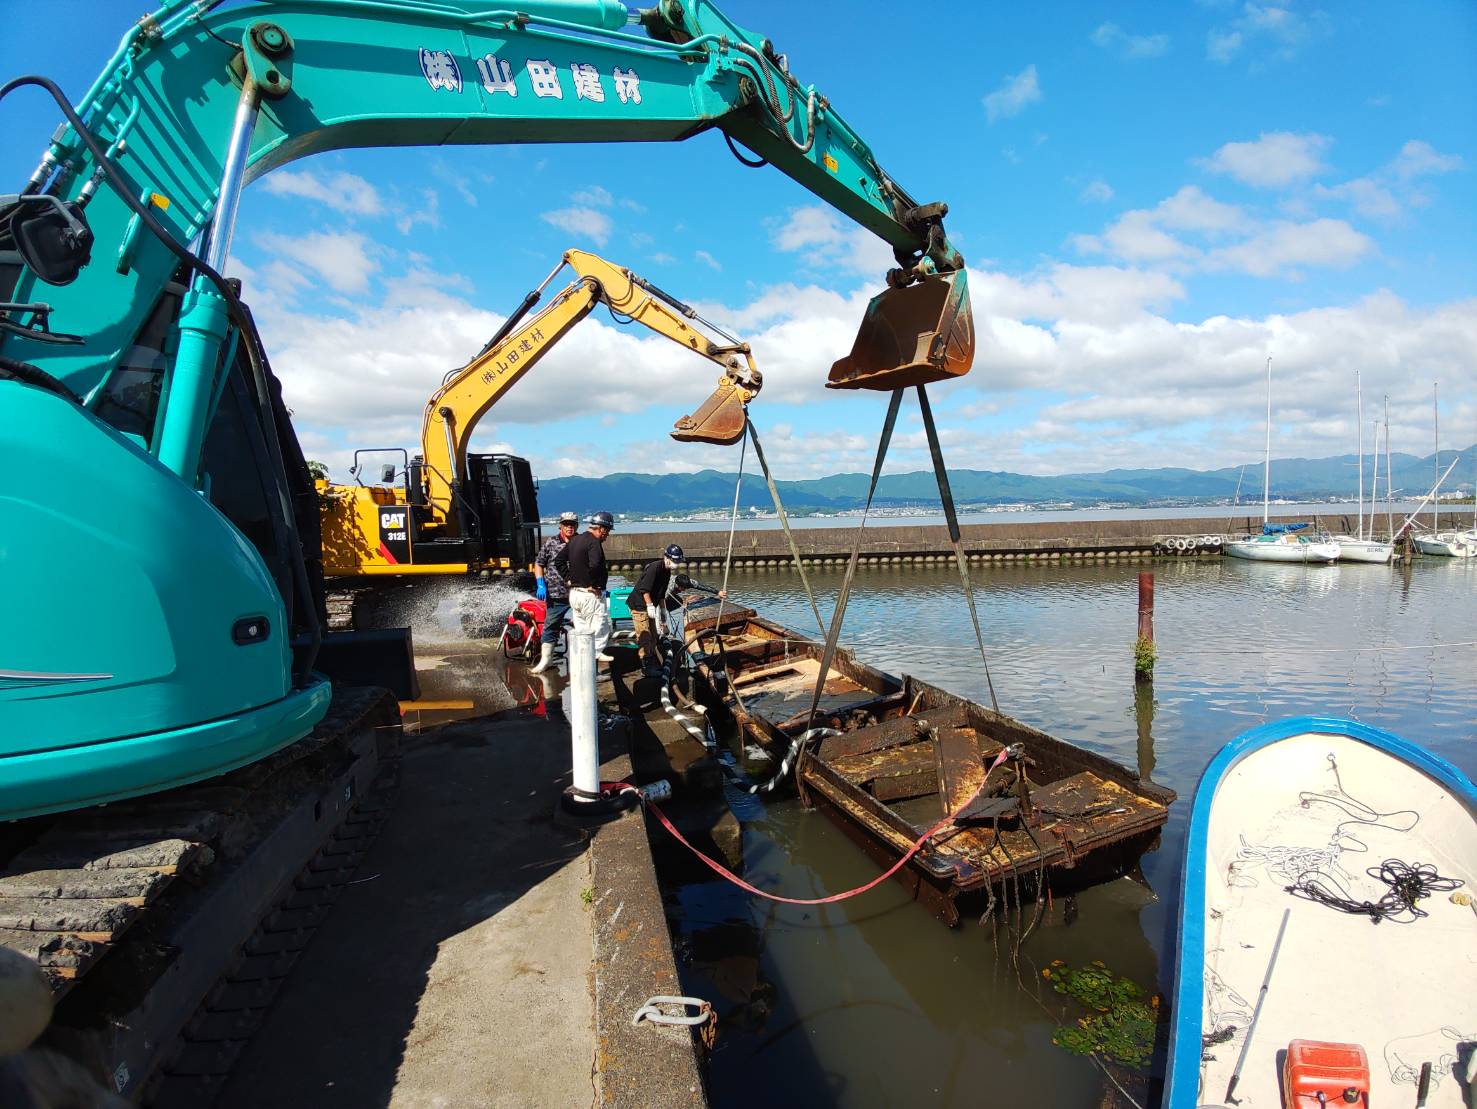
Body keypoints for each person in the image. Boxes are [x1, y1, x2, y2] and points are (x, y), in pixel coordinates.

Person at [529, 511, 579, 674]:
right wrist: (540, 583)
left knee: (584, 625)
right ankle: (546, 659)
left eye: (572, 524)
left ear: (576, 526)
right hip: (556, 594)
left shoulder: (581, 542)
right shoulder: (551, 542)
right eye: (566, 524)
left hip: (578, 592)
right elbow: (539, 563)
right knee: (550, 626)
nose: (569, 527)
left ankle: (585, 659)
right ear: (560, 526)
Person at [563, 510, 615, 664]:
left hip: (574, 595)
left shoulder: (574, 540)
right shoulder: (594, 542)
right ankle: (595, 657)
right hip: (589, 596)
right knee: (599, 627)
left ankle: (584, 666)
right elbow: (595, 565)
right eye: (607, 532)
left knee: (583, 633)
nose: (607, 536)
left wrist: (569, 579)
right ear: (602, 529)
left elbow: (559, 561)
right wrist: (594, 584)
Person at [630, 543, 688, 676]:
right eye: (674, 560)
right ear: (666, 557)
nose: (676, 564)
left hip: (652, 603)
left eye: (678, 561)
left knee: (654, 634)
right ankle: (646, 667)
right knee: (644, 635)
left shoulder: (666, 571)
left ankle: (653, 659)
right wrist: (649, 606)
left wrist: (662, 612)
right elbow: (644, 589)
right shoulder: (654, 568)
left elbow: (661, 594)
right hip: (639, 605)